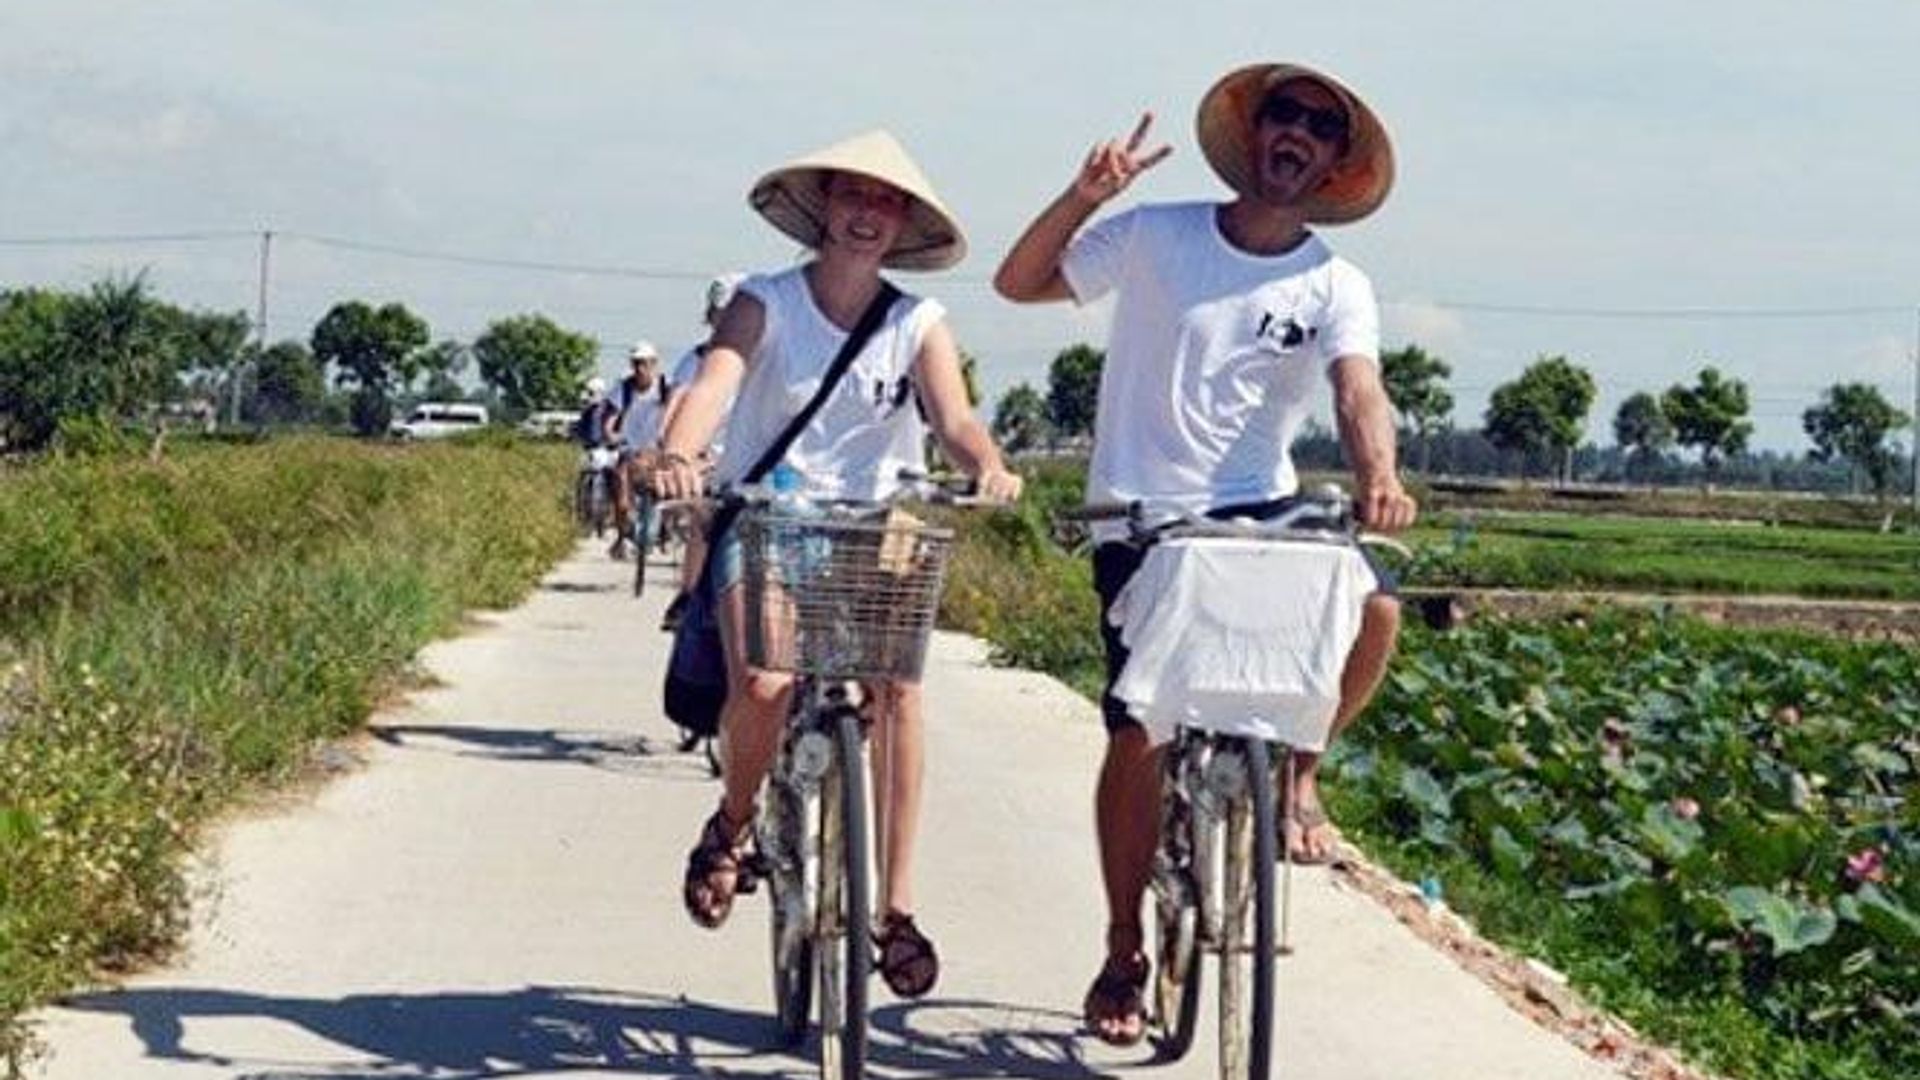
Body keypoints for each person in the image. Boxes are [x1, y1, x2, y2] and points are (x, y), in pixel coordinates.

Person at [993, 61, 1417, 1044]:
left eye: (1320, 127)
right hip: (1143, 518)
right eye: (1284, 114)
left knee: (1377, 606)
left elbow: (1359, 391)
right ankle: (1122, 947)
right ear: (1252, 132)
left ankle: (1300, 771)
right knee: (1141, 734)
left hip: (1260, 511)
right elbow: (1018, 283)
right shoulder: (1156, 234)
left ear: (1333, 163)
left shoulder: (1335, 283)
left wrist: (1380, 475)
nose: (1297, 133)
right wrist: (1086, 196)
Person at [651, 129, 1023, 1000]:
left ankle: (895, 907)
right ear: (823, 205)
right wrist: (678, 453)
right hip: (769, 518)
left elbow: (956, 421)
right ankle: (732, 825)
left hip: (875, 528)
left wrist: (988, 466)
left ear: (903, 224)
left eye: (887, 202)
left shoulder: (918, 323)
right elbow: (713, 385)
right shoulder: (764, 302)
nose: (868, 214)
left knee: (899, 691)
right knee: (769, 681)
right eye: (854, 195)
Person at [658, 273, 747, 633]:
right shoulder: (695, 361)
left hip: (758, 463)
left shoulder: (773, 359)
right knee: (703, 520)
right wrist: (677, 453)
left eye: (738, 312)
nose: (729, 321)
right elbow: (677, 404)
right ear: (710, 316)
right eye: (722, 313)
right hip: (708, 458)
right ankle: (688, 593)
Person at [606, 341, 670, 560]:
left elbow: (674, 412)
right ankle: (621, 535)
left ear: (654, 364)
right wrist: (610, 433)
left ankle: (666, 530)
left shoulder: (664, 387)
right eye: (636, 363)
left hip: (657, 447)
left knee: (667, 488)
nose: (640, 368)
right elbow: (612, 415)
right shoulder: (624, 388)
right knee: (620, 488)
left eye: (644, 363)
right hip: (631, 446)